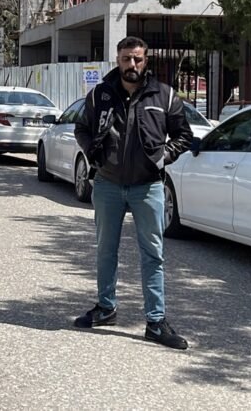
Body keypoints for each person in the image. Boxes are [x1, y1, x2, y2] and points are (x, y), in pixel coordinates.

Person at [72, 36, 193, 349]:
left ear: (146, 60)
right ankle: (105, 307)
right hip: (108, 185)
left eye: (138, 59)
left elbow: (183, 135)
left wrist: (163, 156)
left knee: (153, 255)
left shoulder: (164, 96)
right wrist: (92, 155)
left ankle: (155, 321)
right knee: (104, 250)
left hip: (148, 187)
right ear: (118, 59)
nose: (132, 65)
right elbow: (81, 128)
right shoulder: (100, 94)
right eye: (127, 59)